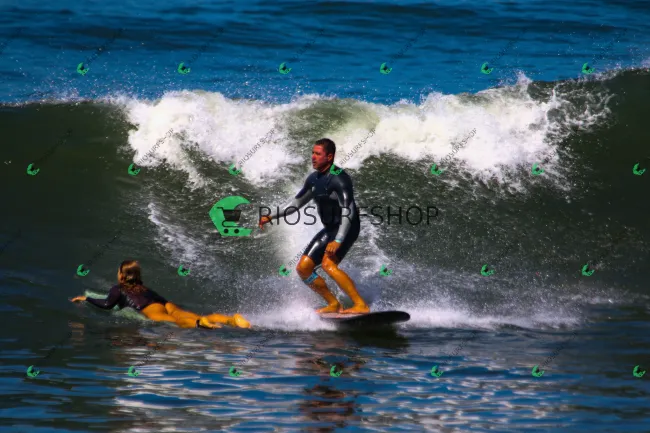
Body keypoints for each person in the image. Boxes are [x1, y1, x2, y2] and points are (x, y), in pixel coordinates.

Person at [258, 138, 370, 314]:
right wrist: (271, 216)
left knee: (328, 265)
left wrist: (338, 239)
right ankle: (333, 304)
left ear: (329, 157)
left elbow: (348, 210)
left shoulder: (339, 179)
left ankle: (360, 305)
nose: (313, 157)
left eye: (318, 154)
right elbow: (295, 204)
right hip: (330, 229)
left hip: (347, 228)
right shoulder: (314, 179)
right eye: (313, 153)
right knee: (303, 269)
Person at [70, 260, 251, 329]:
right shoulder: (142, 287)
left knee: (179, 323)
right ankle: (231, 320)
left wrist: (87, 298)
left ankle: (199, 324)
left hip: (151, 310)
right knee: (190, 315)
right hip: (165, 303)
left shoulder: (118, 289)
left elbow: (107, 304)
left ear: (122, 275)